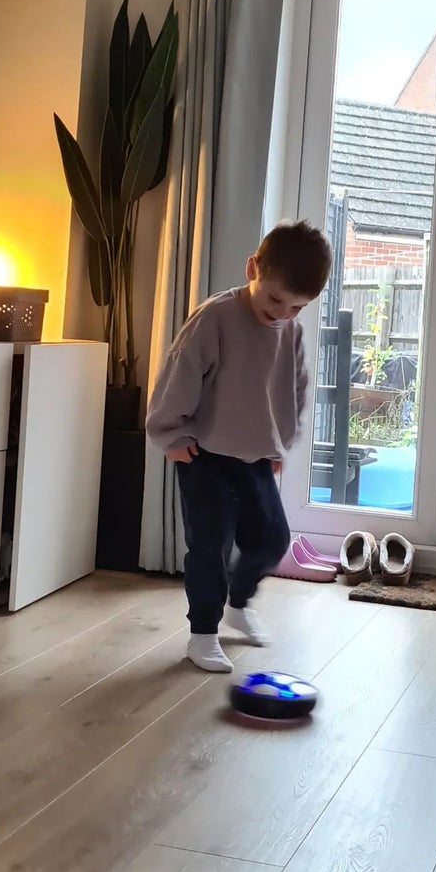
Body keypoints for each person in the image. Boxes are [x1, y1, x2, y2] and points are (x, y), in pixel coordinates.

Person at [147, 221, 332, 672]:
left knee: (271, 539)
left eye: (296, 307)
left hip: (255, 456)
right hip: (203, 454)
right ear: (253, 268)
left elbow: (296, 388)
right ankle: (203, 633)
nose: (282, 313)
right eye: (274, 299)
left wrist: (279, 444)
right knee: (209, 546)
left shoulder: (291, 331)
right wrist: (170, 435)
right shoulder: (215, 317)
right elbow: (180, 373)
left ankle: (238, 602)